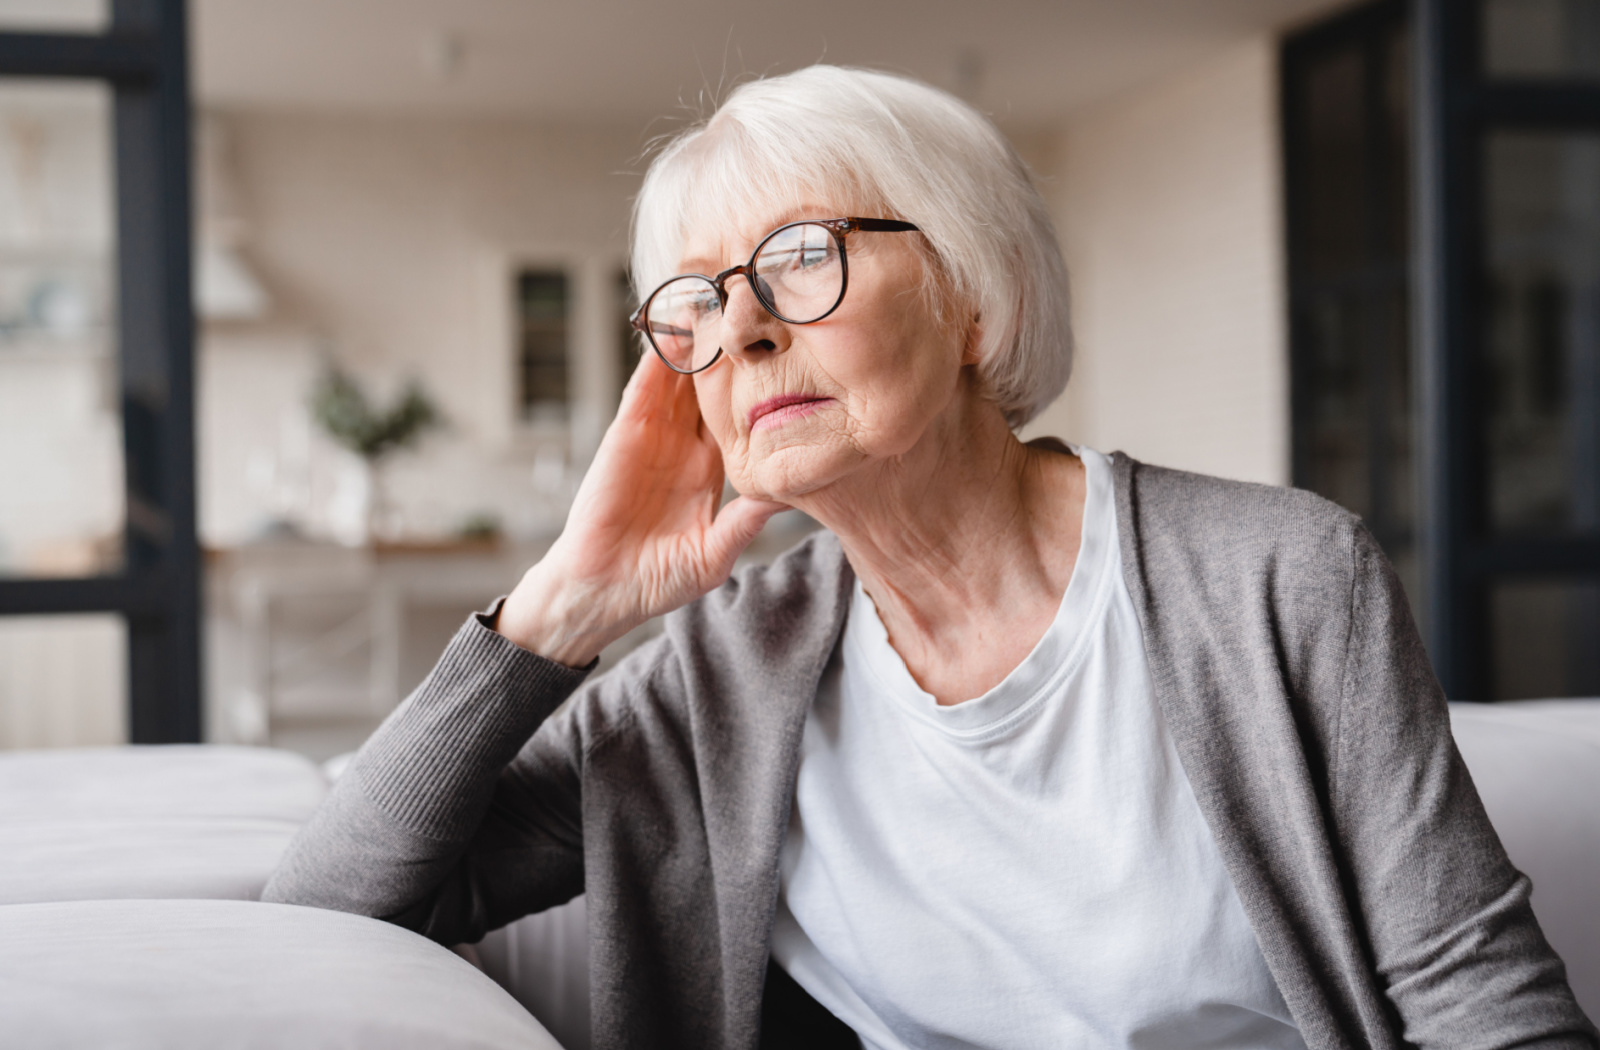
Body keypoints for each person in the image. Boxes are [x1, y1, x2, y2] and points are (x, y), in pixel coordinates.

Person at [264, 65, 1596, 1050]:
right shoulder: (717, 675)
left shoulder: (1278, 578)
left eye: (800, 259)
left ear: (972, 294)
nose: (746, 332)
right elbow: (327, 905)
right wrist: (561, 605)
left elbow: (1499, 1017)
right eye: (698, 302)